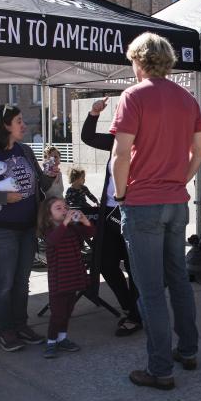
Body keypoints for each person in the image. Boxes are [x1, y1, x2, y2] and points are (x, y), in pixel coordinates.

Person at [110, 33, 201, 390]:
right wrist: (178, 180)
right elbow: (199, 153)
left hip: (143, 204)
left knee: (150, 289)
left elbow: (121, 155)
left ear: (139, 61)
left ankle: (160, 368)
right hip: (175, 201)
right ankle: (189, 349)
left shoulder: (133, 96)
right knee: (178, 279)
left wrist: (120, 196)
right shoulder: (187, 98)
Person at [0, 104, 56, 352]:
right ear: (4, 126)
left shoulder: (25, 150)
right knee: (4, 283)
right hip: (1, 230)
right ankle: (5, 330)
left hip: (28, 228)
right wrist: (2, 199)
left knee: (22, 282)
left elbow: (40, 186)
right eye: (18, 121)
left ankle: (20, 325)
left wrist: (51, 175)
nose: (23, 125)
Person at [80, 97, 143, 337]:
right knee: (105, 264)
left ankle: (137, 315)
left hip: (132, 213)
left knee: (134, 267)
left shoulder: (144, 142)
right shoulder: (117, 140)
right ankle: (130, 307)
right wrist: (94, 113)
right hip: (108, 213)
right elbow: (88, 137)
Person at [37, 197, 94, 358]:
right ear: (48, 216)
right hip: (59, 280)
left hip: (73, 275)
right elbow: (54, 240)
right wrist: (66, 222)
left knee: (68, 311)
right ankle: (51, 342)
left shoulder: (72, 228)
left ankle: (62, 338)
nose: (64, 210)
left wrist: (84, 220)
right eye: (58, 208)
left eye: (65, 207)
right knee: (57, 314)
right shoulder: (50, 232)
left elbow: (90, 232)